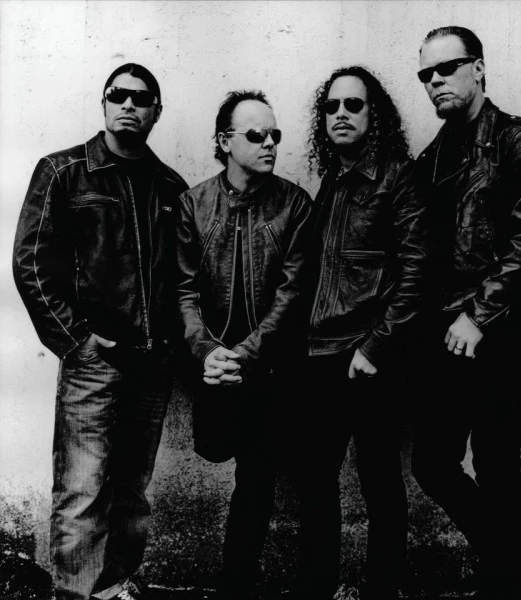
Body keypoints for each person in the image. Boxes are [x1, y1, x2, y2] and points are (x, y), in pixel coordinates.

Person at [12, 63, 188, 600]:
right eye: (119, 95)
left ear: (156, 112)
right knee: (82, 491)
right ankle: (74, 594)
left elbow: (183, 278)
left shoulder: (170, 187)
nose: (129, 105)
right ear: (105, 103)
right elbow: (31, 263)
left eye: (142, 98)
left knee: (132, 494)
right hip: (94, 363)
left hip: (151, 365)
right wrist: (78, 342)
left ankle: (112, 590)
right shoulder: (63, 172)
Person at [411, 26, 521, 599]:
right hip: (446, 329)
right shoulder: (434, 156)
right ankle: (514, 572)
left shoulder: (516, 138)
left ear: (478, 68)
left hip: (500, 322)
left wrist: (478, 314)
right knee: (432, 461)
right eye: (426, 74)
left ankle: (506, 582)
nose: (435, 81)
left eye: (446, 69)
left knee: (497, 458)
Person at [293, 65, 429, 600]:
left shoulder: (398, 177)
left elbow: (417, 273)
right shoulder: (333, 180)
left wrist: (375, 346)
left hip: (370, 358)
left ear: (376, 115)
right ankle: (316, 588)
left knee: (379, 481)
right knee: (314, 480)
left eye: (354, 104)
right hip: (321, 355)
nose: (341, 114)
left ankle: (382, 590)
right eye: (331, 106)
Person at [176, 90, 312, 600]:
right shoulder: (194, 204)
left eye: (275, 134)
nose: (270, 143)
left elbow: (294, 291)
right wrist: (208, 352)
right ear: (224, 141)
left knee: (258, 479)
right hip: (213, 367)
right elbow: (183, 289)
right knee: (215, 449)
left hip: (271, 370)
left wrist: (247, 355)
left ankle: (236, 586)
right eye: (256, 135)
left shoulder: (295, 204)